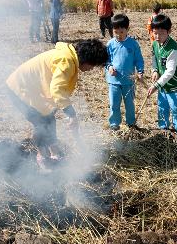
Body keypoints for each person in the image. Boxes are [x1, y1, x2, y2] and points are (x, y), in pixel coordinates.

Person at [6, 39, 108, 169]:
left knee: (48, 119)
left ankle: (53, 153)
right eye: (92, 65)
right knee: (42, 123)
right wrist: (71, 114)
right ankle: (43, 158)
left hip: (29, 89)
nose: (91, 69)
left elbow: (56, 88)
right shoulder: (67, 61)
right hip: (19, 89)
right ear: (87, 59)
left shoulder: (69, 55)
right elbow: (57, 89)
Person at [147, 14, 177, 139]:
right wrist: (154, 70)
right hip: (162, 83)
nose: (157, 37)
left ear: (169, 31)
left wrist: (156, 85)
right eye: (154, 33)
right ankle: (163, 127)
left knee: (175, 108)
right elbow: (154, 58)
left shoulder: (173, 49)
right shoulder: (155, 44)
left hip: (174, 83)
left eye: (161, 33)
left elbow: (170, 72)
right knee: (162, 105)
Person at [105, 14, 144, 130]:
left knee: (130, 104)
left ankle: (131, 123)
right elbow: (106, 60)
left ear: (127, 29)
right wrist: (109, 67)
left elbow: (139, 60)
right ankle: (114, 124)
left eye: (121, 32)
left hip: (129, 81)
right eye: (116, 32)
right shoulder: (110, 44)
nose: (118, 35)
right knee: (114, 104)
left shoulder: (133, 44)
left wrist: (140, 72)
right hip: (114, 81)